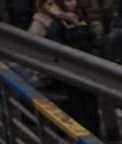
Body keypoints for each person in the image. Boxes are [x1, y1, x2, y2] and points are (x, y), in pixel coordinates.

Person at [39, 0, 104, 136]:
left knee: (91, 107)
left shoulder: (81, 21)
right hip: (71, 74)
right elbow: (56, 50)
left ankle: (95, 135)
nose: (73, 3)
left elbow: (93, 41)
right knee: (79, 108)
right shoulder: (57, 25)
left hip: (88, 71)